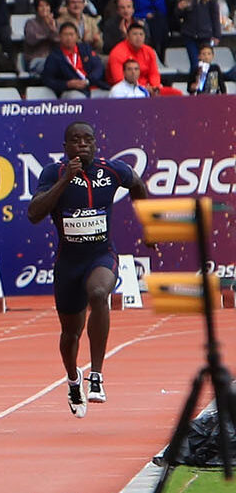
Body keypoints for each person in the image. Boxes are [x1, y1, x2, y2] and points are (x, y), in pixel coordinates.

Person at [27, 121, 148, 417]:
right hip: (69, 263)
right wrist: (66, 180)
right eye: (75, 140)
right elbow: (34, 214)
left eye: (88, 140)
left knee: (98, 293)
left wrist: (150, 227)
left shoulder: (112, 171)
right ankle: (73, 379)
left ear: (95, 144)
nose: (82, 144)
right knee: (70, 334)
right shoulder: (53, 173)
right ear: (65, 147)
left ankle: (96, 375)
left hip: (101, 255)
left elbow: (138, 185)